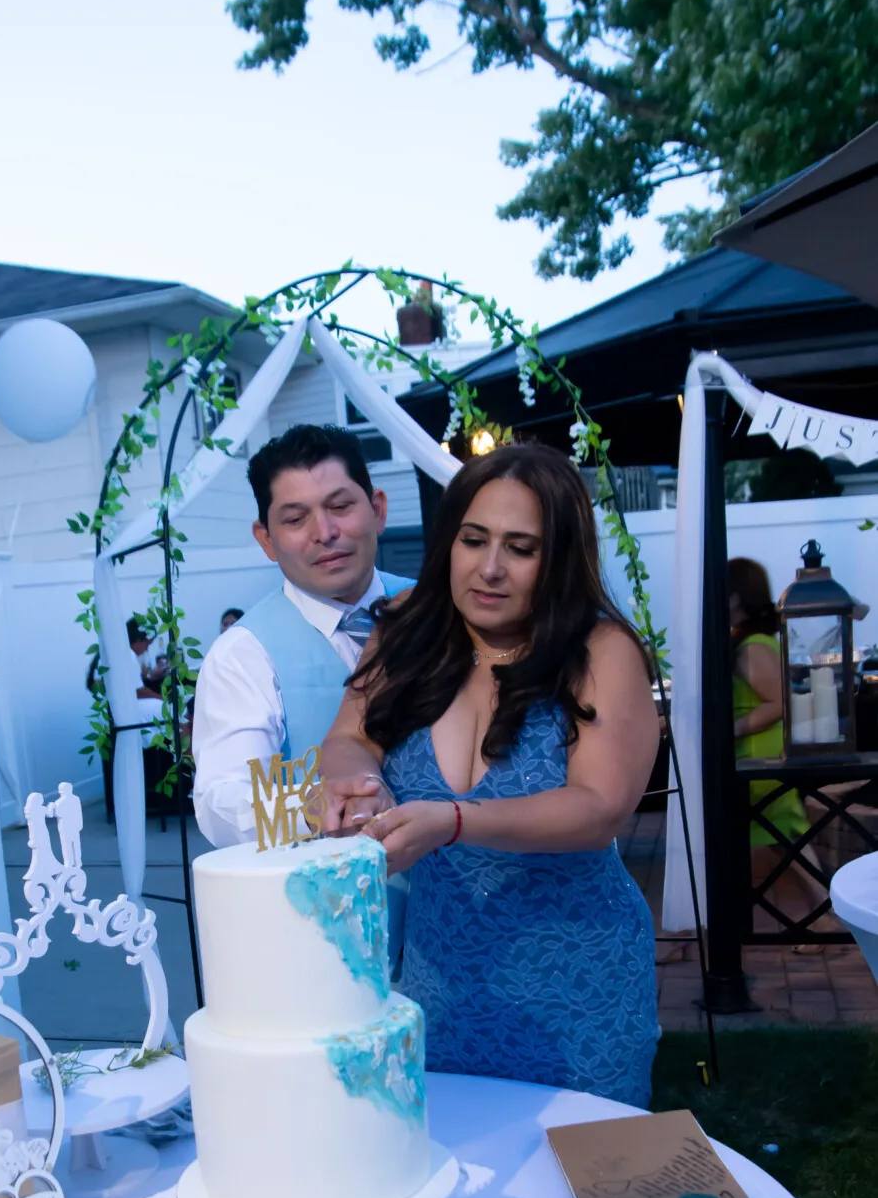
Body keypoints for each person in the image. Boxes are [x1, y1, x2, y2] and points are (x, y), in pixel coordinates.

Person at [319, 441, 659, 1107]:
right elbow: (348, 737)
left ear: (557, 559)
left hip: (579, 987)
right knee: (457, 1182)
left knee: (585, 1196)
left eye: (521, 548)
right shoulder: (404, 632)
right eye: (473, 540)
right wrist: (353, 784)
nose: (490, 568)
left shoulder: (601, 651)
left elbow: (601, 809)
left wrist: (452, 822)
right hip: (440, 982)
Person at [191, 425, 413, 846]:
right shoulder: (244, 654)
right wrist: (314, 805)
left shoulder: (438, 608)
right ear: (267, 540)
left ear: (378, 509)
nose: (325, 532)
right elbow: (221, 800)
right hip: (331, 900)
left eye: (341, 506)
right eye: (295, 519)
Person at [729, 556, 828, 936]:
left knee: (786, 839)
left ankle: (823, 914)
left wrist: (732, 728)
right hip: (760, 756)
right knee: (785, 840)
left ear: (735, 597)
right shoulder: (753, 641)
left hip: (759, 758)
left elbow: (777, 703)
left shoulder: (751, 647)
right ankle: (822, 915)